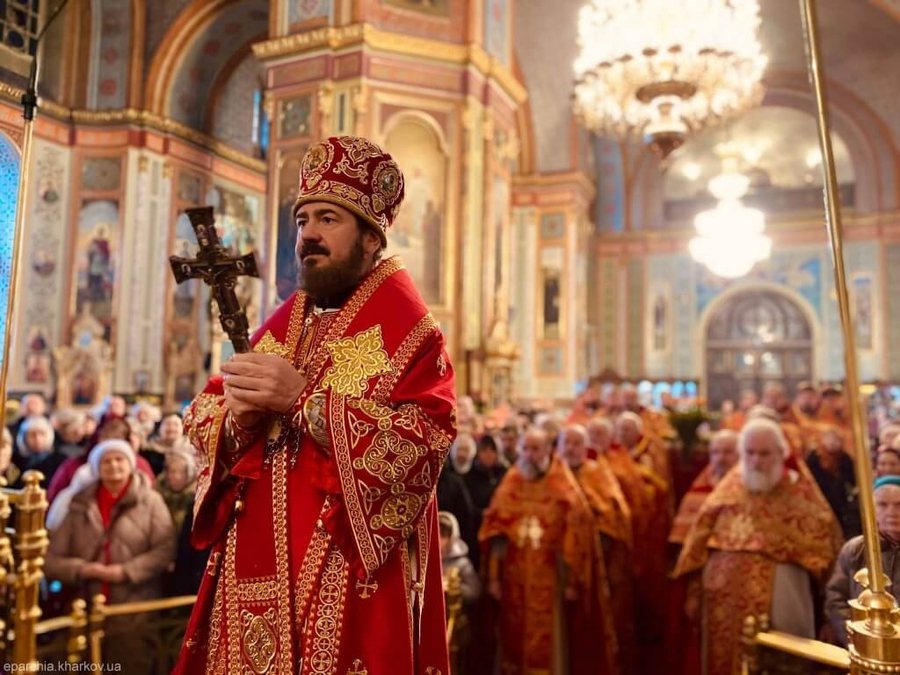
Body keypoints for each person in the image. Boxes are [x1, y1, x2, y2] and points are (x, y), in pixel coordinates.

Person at [174, 136, 456, 675]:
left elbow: (421, 450)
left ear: (371, 238)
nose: (308, 235)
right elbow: (205, 411)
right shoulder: (289, 318)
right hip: (255, 571)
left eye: (328, 219)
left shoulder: (410, 331)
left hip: (348, 580)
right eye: (302, 220)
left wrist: (302, 401)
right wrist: (238, 420)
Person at [673, 419, 842, 675]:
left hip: (782, 595)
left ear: (781, 453)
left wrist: (829, 614)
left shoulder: (800, 492)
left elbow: (827, 546)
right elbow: (698, 538)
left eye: (764, 454)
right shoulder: (729, 487)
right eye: (749, 453)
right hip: (722, 602)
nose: (756, 461)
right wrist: (694, 590)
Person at [479, 427, 615, 675]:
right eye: (526, 449)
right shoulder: (512, 481)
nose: (530, 455)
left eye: (536, 449)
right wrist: (493, 577)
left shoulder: (562, 485)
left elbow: (578, 532)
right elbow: (495, 532)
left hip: (551, 576)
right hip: (514, 577)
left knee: (550, 641)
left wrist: (573, 580)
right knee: (512, 638)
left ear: (548, 451)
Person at [44, 439, 176, 603]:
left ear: (130, 464)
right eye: (106, 461)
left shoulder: (151, 501)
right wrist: (82, 569)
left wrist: (126, 571)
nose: (113, 465)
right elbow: (52, 558)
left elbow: (165, 550)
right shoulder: (80, 503)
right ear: (97, 467)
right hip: (84, 602)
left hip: (135, 603)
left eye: (119, 459)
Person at [560, 423, 633, 674]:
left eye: (576, 443)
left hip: (596, 563)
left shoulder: (597, 474)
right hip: (558, 566)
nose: (570, 449)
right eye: (565, 443)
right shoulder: (551, 476)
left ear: (586, 447)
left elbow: (616, 515)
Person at [826, 476, 900, 646]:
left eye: (899, 505)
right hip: (864, 646)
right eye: (882, 505)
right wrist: (856, 639)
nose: (892, 512)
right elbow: (836, 599)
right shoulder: (855, 549)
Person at [47, 416, 155, 504]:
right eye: (104, 443)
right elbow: (55, 498)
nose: (113, 464)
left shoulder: (140, 465)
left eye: (116, 442)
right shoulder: (74, 466)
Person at [669, 429, 740, 549]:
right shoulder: (701, 484)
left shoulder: (748, 485)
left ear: (740, 454)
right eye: (715, 452)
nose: (720, 458)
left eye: (728, 452)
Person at [806, 426, 860, 539]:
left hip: (840, 497)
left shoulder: (844, 457)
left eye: (836, 440)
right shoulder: (814, 456)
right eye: (830, 439)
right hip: (820, 496)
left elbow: (853, 478)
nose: (833, 443)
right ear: (823, 440)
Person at [156, 437, 198, 533]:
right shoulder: (158, 493)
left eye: (182, 472)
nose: (177, 477)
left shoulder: (195, 499)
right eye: (172, 471)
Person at [439, 511, 481, 604]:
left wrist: (452, 586)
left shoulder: (462, 563)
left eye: (443, 535)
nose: (439, 539)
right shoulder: (424, 561)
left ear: (451, 537)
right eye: (436, 534)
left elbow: (474, 591)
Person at [13, 415, 64, 487]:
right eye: (32, 434)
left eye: (42, 434)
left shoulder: (60, 461)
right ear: (24, 437)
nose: (38, 439)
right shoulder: (15, 460)